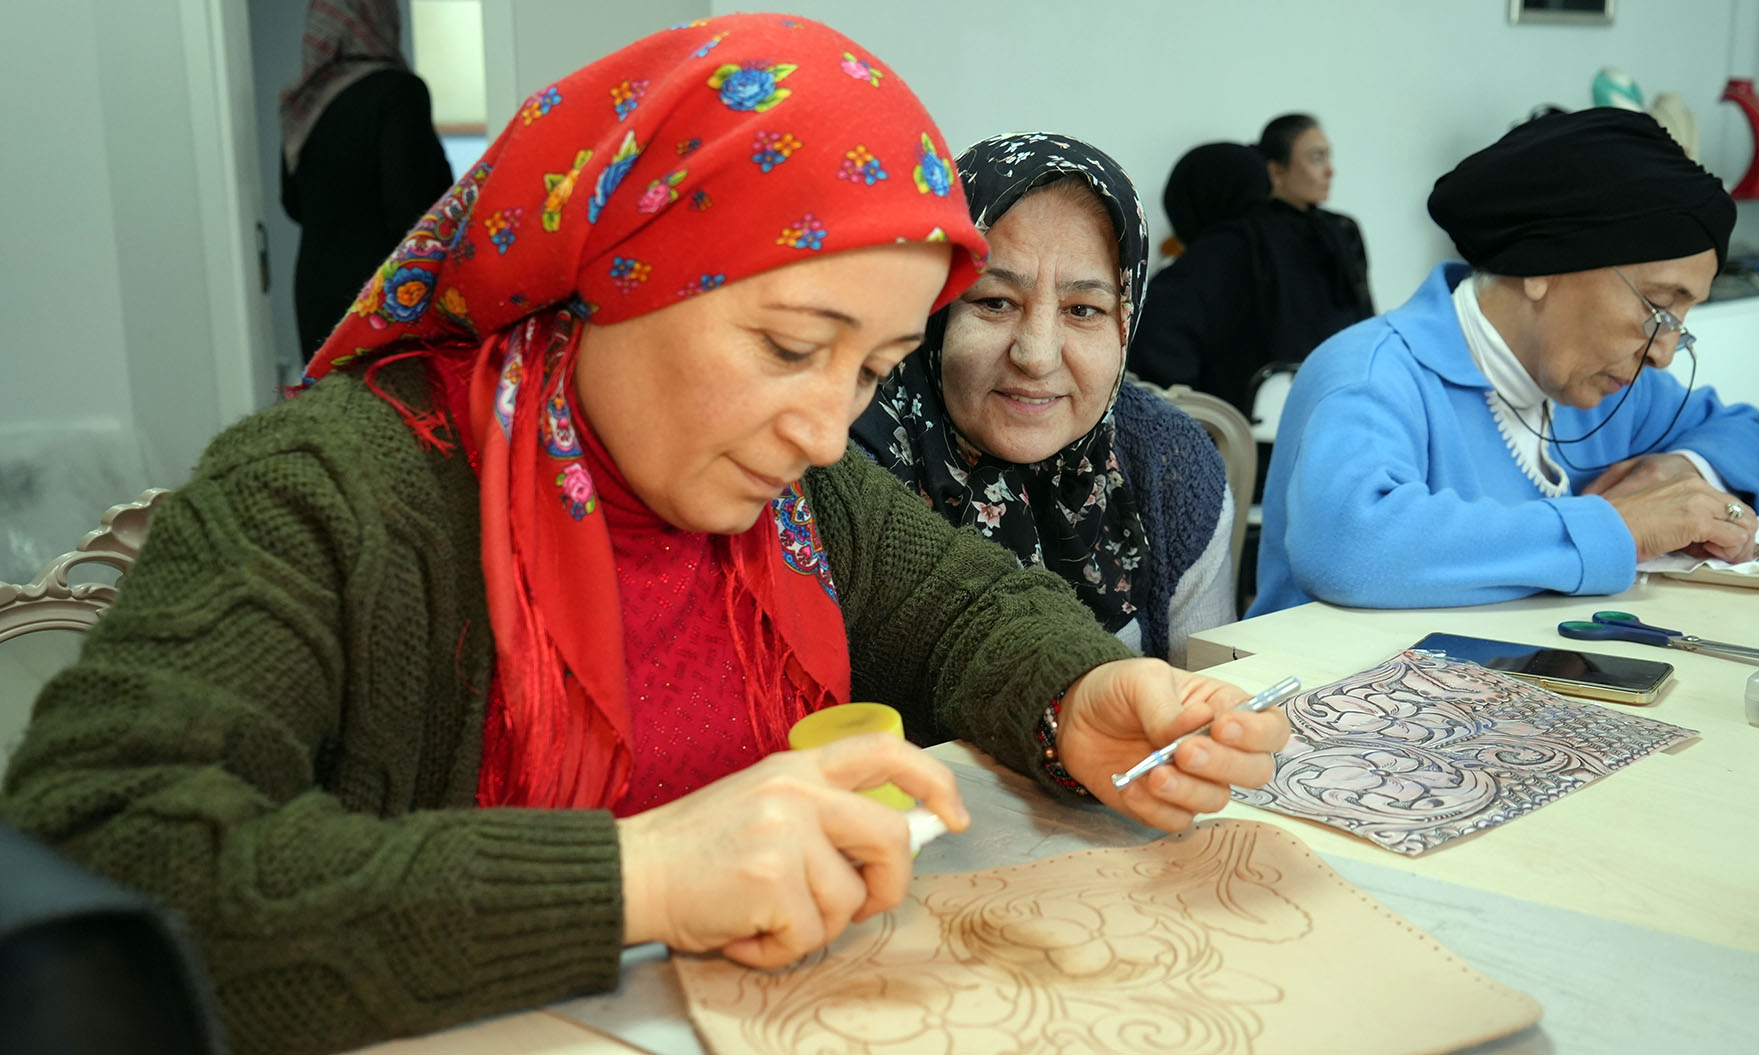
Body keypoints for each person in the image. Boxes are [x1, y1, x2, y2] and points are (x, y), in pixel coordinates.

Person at [1, 18, 1287, 1055]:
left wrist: (1076, 693)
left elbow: (959, 604)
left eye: (873, 365)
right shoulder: (334, 490)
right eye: (791, 347)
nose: (830, 429)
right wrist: (637, 876)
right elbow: (104, 853)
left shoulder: (791, 495)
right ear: (617, 261)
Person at [1251, 108, 1759, 616]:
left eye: (1681, 319)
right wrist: (1617, 526)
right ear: (1543, 267)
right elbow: (1350, 545)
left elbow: (1735, 428)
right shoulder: (1372, 373)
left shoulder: (1606, 384)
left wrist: (1675, 472)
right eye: (1657, 307)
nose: (1663, 352)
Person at [852, 133, 1237, 665]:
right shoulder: (848, 462)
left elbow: (1206, 699)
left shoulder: (1167, 463)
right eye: (995, 301)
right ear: (932, 309)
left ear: (1126, 323)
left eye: (1083, 310)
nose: (1036, 356)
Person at [1129, 117, 1372, 413]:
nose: (1330, 170)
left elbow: (1157, 354)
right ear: (1271, 173)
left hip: (1238, 440)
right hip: (1339, 416)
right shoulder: (1333, 236)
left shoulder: (1212, 258)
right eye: (1316, 157)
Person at [280, 0, 454, 356]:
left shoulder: (304, 102)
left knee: (327, 408)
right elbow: (412, 211)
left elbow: (292, 203)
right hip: (381, 297)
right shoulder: (398, 92)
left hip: (314, 292)